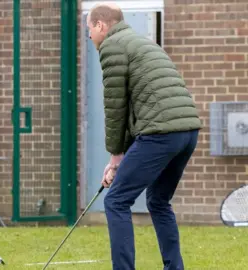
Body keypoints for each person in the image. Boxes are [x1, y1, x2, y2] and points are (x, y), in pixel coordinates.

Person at [87, 3, 202, 270]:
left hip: (161, 133)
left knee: (116, 200)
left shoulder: (112, 47)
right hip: (186, 133)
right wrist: (117, 159)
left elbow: (116, 106)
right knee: (158, 201)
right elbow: (138, 105)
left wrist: (115, 156)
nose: (90, 37)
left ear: (101, 26)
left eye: (90, 30)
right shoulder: (142, 42)